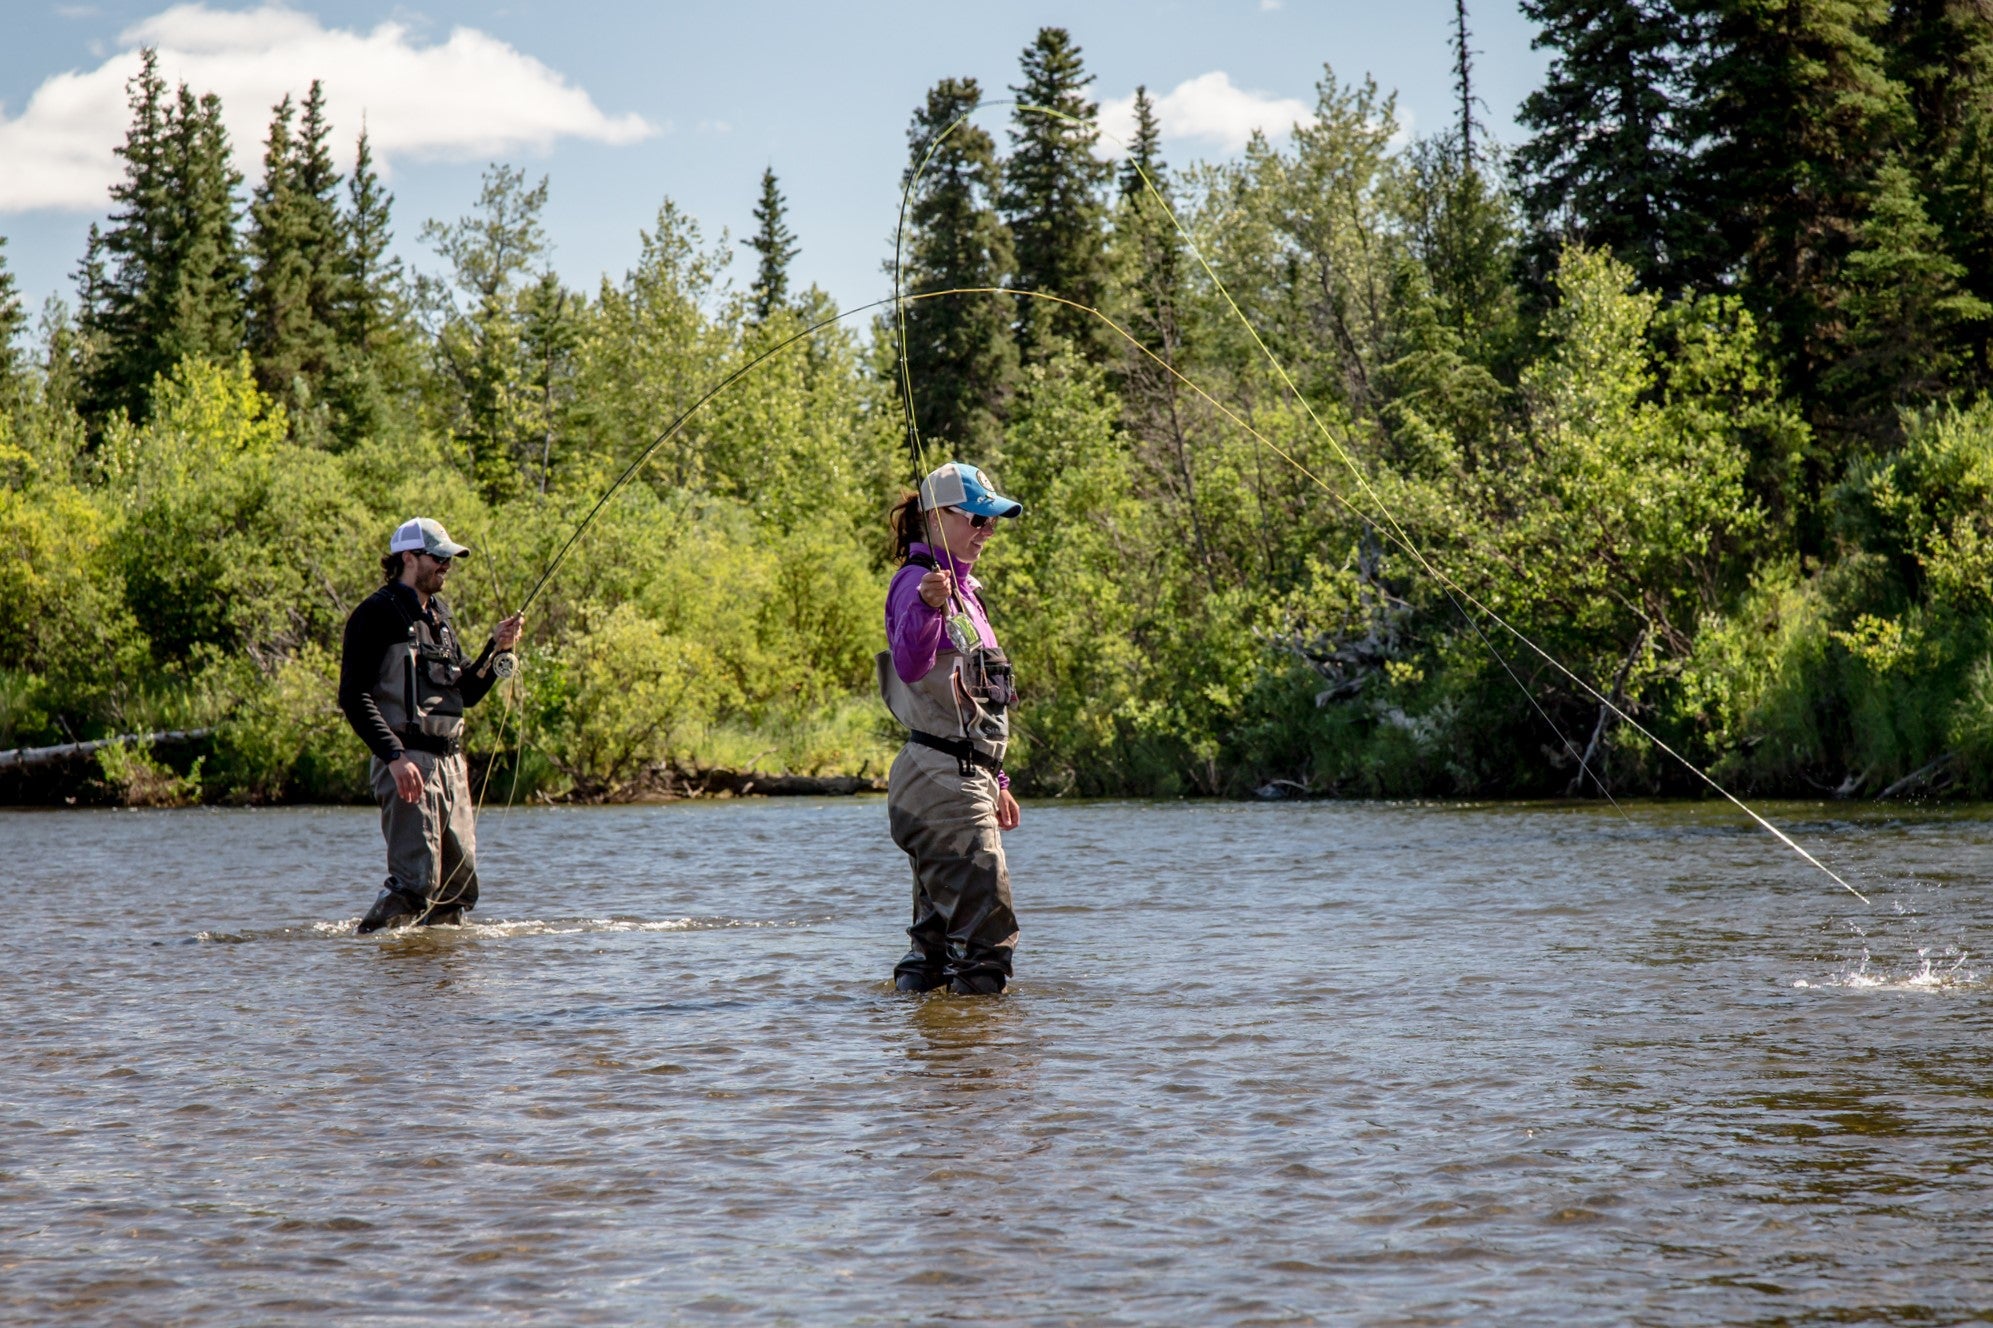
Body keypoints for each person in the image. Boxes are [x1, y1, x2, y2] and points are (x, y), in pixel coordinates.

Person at [877, 462, 1024, 994]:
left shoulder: (968, 591)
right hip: (943, 783)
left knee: (935, 949)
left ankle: (929, 1061)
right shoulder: (916, 584)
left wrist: (998, 781)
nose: (987, 532)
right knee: (985, 947)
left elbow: (978, 699)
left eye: (993, 523)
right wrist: (926, 605)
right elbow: (913, 664)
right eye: (977, 520)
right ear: (936, 518)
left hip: (963, 779)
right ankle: (980, 1072)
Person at [338, 517, 523, 933]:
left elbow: (466, 694)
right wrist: (393, 756)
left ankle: (437, 969)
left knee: (458, 888)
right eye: (438, 557)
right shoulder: (375, 614)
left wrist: (497, 649)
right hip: (407, 762)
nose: (446, 565)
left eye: (449, 558)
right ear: (409, 557)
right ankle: (370, 951)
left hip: (451, 766)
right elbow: (352, 696)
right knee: (413, 884)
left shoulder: (440, 616)